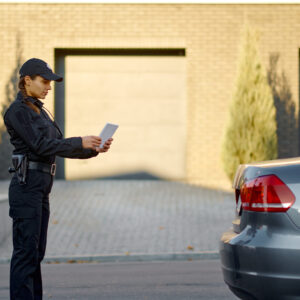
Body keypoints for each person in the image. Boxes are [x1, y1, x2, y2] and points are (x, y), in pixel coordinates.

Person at [3, 58, 113, 300]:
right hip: (26, 187)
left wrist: (92, 149)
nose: (49, 87)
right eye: (44, 81)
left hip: (40, 188)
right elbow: (41, 145)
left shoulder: (39, 111)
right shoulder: (18, 111)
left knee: (35, 254)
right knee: (25, 254)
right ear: (27, 80)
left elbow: (55, 147)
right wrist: (79, 141)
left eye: (50, 82)